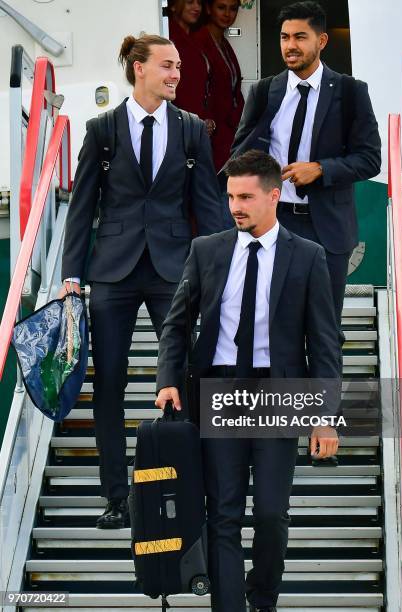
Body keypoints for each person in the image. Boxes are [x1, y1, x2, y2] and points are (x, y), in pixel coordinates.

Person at [155, 150, 341, 612]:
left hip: (279, 395)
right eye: (231, 196)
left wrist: (324, 417)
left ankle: (263, 599)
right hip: (218, 393)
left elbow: (324, 344)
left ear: (274, 195)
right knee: (223, 515)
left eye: (246, 196)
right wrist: (168, 378)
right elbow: (178, 323)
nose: (235, 205)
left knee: (273, 514)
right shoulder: (207, 250)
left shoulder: (308, 257)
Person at [60, 33, 223, 529]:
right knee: (109, 383)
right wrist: (71, 273)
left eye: (178, 67)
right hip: (113, 271)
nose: (177, 74)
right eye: (168, 66)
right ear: (138, 68)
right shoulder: (103, 129)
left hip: (175, 269)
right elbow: (82, 205)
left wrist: (224, 269)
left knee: (184, 378)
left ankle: (185, 490)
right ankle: (117, 497)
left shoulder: (192, 129)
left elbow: (208, 205)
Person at [227, 1, 381, 329]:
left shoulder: (351, 92)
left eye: (300, 37)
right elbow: (239, 153)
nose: (290, 46)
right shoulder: (265, 90)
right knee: (274, 327)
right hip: (274, 224)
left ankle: (324, 384)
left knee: (324, 329)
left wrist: (321, 169)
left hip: (327, 229)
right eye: (284, 38)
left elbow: (370, 159)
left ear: (321, 41)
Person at [193, 0, 244, 171]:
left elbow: (234, 87)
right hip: (210, 130)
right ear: (208, 8)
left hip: (229, 130)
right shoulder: (198, 41)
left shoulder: (223, 42)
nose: (227, 14)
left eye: (233, 9)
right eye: (221, 7)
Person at [168, 0, 216, 135]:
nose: (197, 8)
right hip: (181, 123)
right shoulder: (168, 38)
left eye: (199, 3)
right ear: (173, 5)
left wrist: (207, 117)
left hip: (199, 121)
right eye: (190, 2)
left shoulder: (194, 38)